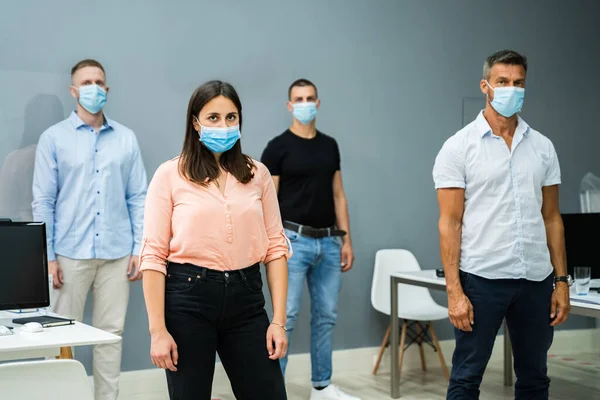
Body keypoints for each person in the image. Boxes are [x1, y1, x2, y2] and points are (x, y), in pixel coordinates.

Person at [433, 50, 571, 400]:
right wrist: (454, 292)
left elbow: (552, 218)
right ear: (486, 86)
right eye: (503, 82)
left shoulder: (542, 147)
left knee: (535, 378)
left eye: (518, 83)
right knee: (466, 378)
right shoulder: (458, 147)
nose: (512, 89)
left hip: (535, 281)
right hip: (482, 281)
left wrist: (561, 281)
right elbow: (449, 223)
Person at [140, 80, 290, 400]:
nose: (223, 125)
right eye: (213, 118)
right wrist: (158, 331)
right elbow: (153, 256)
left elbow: (276, 247)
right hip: (188, 298)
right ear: (195, 123)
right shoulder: (170, 175)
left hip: (247, 298)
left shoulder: (257, 174)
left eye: (231, 117)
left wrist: (278, 321)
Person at [32, 59, 147, 399]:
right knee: (59, 338)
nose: (93, 88)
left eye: (99, 82)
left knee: (111, 335)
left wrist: (139, 248)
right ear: (73, 90)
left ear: (107, 90)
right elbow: (43, 201)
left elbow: (138, 197)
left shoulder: (126, 139)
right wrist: (48, 256)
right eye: (86, 82)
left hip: (116, 254)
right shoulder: (53, 139)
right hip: (69, 255)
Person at [261, 79, 359, 400]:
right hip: (293, 241)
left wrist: (346, 240)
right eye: (298, 99)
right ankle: (274, 389)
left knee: (326, 315)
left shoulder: (329, 145)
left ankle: (321, 386)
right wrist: (272, 244)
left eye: (310, 98)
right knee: (285, 317)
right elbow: (268, 200)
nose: (305, 103)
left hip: (329, 242)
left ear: (318, 102)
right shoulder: (277, 147)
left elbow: (338, 194)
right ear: (289, 106)